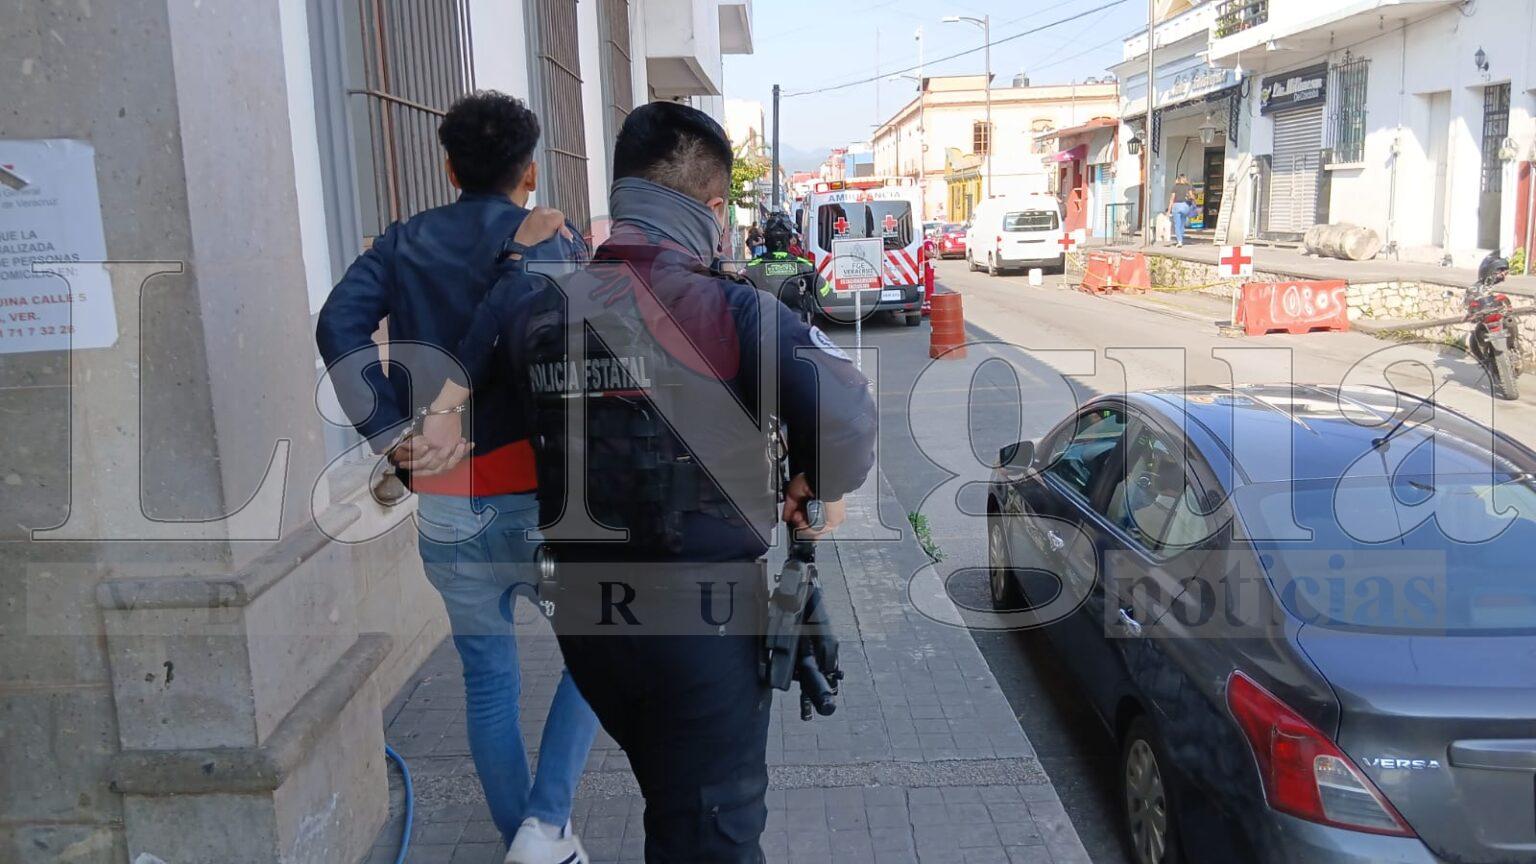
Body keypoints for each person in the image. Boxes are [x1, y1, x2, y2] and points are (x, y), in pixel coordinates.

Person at [419, 101, 879, 861]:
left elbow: (486, 415)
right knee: (711, 833)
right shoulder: (733, 309)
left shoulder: (541, 310)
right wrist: (816, 483)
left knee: (673, 800)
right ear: (711, 209)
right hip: (698, 630)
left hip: (589, 629)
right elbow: (852, 416)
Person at [315, 90, 599, 864]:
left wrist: (386, 432)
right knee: (603, 647)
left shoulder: (403, 242)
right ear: (531, 172)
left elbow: (336, 325)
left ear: (448, 166)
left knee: (486, 680)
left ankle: (530, 840)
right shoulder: (550, 237)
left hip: (445, 499)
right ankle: (545, 824)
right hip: (545, 496)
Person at [742, 211, 826, 324]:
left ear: (765, 239)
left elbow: (738, 298)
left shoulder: (752, 267)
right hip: (797, 330)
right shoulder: (804, 266)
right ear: (790, 239)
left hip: (764, 330)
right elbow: (825, 293)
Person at [1168, 173, 1195, 247]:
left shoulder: (1175, 187)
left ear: (1178, 179)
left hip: (1177, 206)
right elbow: (1191, 196)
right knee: (1182, 224)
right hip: (1185, 206)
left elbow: (1172, 199)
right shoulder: (1188, 186)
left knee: (1177, 225)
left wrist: (1169, 210)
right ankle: (1181, 239)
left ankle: (1179, 241)